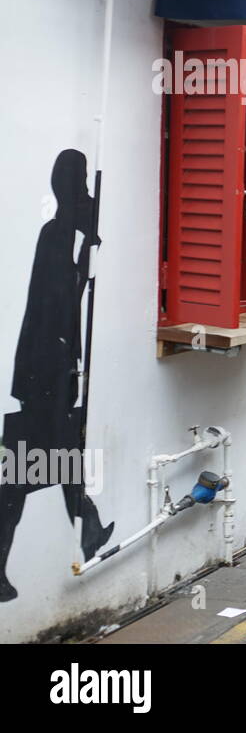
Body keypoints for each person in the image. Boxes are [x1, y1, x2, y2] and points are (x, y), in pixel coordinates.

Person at [1, 150, 114, 601]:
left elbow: (73, 284)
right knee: (28, 469)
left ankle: (87, 529)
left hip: (46, 372)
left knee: (49, 461)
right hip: (48, 372)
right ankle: (86, 528)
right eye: (80, 178)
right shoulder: (59, 233)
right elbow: (59, 301)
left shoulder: (62, 231)